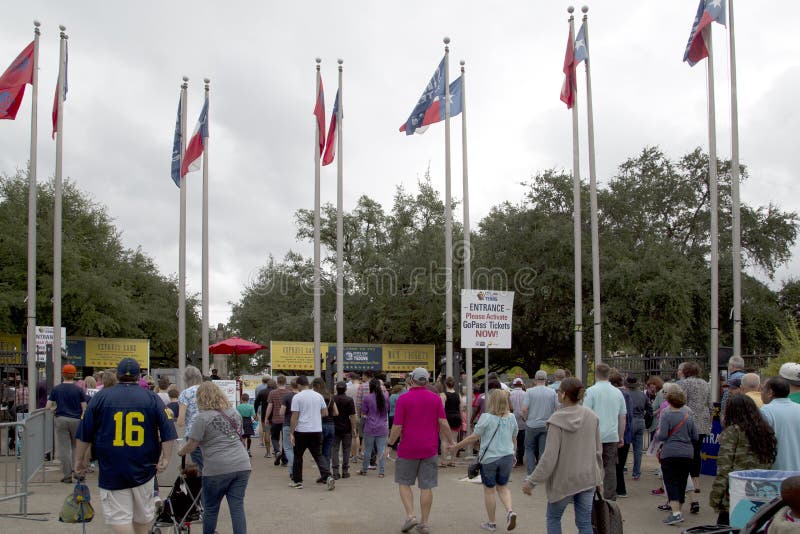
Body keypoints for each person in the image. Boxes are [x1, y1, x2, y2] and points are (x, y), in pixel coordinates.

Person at [75, 358, 177, 534]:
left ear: (118, 375)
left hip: (112, 466)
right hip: (144, 466)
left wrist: (79, 460)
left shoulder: (101, 397)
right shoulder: (152, 398)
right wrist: (166, 457)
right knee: (143, 516)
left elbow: (84, 432)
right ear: (139, 376)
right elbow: (168, 430)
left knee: (119, 516)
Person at [521, 378, 602, 534]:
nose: (557, 393)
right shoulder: (592, 416)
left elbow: (549, 457)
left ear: (564, 394)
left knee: (553, 518)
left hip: (563, 481)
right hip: (587, 477)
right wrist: (599, 477)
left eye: (558, 391)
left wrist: (532, 482)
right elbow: (598, 451)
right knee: (585, 523)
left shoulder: (557, 420)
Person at [387, 368, 454, 534]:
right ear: (427, 381)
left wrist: (389, 444)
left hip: (408, 447)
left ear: (411, 380)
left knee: (404, 482)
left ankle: (410, 516)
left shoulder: (404, 399)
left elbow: (397, 426)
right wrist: (452, 442)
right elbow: (443, 422)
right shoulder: (435, 398)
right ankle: (424, 523)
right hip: (430, 448)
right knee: (427, 486)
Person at [178, 381, 251, 534]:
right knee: (237, 507)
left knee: (211, 507)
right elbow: (239, 437)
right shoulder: (234, 413)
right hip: (242, 464)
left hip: (216, 468)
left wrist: (180, 452)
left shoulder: (202, 418)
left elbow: (192, 445)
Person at [451, 389, 518, 532]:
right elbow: (514, 437)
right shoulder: (511, 417)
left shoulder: (486, 417)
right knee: (503, 487)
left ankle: (491, 523)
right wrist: (514, 454)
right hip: (507, 456)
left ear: (491, 401)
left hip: (490, 458)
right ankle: (510, 511)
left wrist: (456, 446)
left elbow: (474, 437)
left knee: (489, 490)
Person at [709, 394, 777, 525]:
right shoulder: (765, 430)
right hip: (760, 491)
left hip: (736, 491)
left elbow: (724, 467)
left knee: (726, 526)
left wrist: (716, 496)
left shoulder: (733, 431)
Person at [583, 363, 627, 500]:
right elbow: (622, 417)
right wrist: (621, 435)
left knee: (591, 465)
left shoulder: (590, 391)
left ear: (596, 374)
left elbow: (585, 414)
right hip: (611, 435)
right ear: (609, 375)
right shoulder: (618, 392)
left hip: (594, 435)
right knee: (610, 467)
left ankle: (589, 494)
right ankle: (610, 496)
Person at [657, 387, 699, 526]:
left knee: (671, 482)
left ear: (669, 400)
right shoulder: (688, 416)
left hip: (670, 452)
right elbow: (695, 436)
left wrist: (658, 434)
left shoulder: (666, 415)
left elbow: (662, 435)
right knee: (682, 482)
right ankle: (678, 511)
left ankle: (675, 513)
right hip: (687, 453)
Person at [677, 361, 712, 513]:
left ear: (685, 371)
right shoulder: (705, 383)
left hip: (689, 421)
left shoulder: (684, 384)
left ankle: (688, 483)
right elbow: (710, 404)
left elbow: (681, 402)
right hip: (703, 422)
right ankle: (696, 482)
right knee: (697, 452)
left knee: (687, 454)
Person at [288, 375, 335, 490]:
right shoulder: (318, 396)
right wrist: (314, 416)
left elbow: (294, 416)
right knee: (318, 455)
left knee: (298, 456)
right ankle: (327, 476)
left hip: (302, 431)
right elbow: (325, 413)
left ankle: (297, 481)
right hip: (316, 430)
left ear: (299, 385)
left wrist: (291, 432)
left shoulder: (297, 397)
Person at [46, 364, 88, 483]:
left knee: (64, 448)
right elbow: (85, 407)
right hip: (76, 420)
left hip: (61, 419)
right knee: (76, 447)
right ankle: (77, 472)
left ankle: (67, 475)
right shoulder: (79, 390)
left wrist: (54, 409)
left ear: (63, 374)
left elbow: (48, 406)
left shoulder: (57, 389)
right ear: (74, 375)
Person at [521, 370, 558, 476]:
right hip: (546, 425)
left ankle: (530, 475)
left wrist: (525, 419)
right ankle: (541, 474)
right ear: (546, 380)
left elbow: (524, 409)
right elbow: (557, 408)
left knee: (529, 449)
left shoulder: (529, 392)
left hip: (531, 424)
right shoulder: (552, 392)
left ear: (535, 379)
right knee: (543, 450)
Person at [760, 376, 800, 471]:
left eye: (762, 390)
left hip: (776, 473)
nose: (761, 393)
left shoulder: (765, 411)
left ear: (770, 392)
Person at [359, 377, 389, 477]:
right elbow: (387, 409)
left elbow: (364, 412)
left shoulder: (367, 397)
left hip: (370, 426)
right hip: (382, 427)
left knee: (367, 450)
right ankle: (382, 472)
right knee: (381, 450)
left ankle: (364, 470)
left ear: (370, 387)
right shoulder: (385, 397)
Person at [176, 365, 204, 472]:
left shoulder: (185, 393)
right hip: (210, 433)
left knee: (200, 467)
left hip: (193, 435)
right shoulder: (207, 391)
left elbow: (180, 422)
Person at [610, 372, 633, 498]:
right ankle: (620, 488)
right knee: (620, 463)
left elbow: (624, 416)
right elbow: (628, 416)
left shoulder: (619, 394)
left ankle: (619, 488)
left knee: (615, 464)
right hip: (625, 432)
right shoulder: (626, 394)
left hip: (618, 432)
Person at [625, 375, 652, 480]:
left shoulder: (625, 394)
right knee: (638, 450)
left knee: (625, 446)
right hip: (640, 421)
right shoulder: (643, 395)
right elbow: (649, 410)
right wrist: (646, 420)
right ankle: (636, 473)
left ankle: (624, 466)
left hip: (629, 420)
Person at [331, 381, 357, 479]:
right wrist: (354, 428)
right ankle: (345, 471)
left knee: (335, 449)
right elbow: (352, 416)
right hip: (346, 427)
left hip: (335, 427)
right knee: (346, 450)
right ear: (346, 389)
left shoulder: (332, 399)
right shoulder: (349, 400)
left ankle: (335, 472)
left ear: (336, 389)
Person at [312, 377, 338, 470]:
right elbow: (336, 412)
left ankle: (323, 473)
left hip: (320, 426)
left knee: (318, 452)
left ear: (316, 386)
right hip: (331, 426)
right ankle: (327, 473)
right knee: (327, 451)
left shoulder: (317, 397)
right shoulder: (330, 396)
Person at [264, 374, 290, 465]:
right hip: (286, 420)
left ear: (277, 382)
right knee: (285, 440)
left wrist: (266, 418)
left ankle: (277, 451)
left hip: (275, 419)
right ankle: (284, 460)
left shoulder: (272, 393)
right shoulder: (289, 392)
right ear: (285, 382)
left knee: (274, 437)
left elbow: (270, 406)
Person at [279, 378, 299, 480]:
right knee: (298, 449)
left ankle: (292, 471)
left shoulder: (287, 396)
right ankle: (297, 471)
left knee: (288, 448)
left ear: (291, 386)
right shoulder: (302, 396)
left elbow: (282, 412)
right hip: (300, 426)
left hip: (287, 424)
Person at [441, 376, 461, 467]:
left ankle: (444, 461)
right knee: (454, 440)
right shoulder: (458, 395)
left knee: (444, 440)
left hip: (447, 417)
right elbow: (460, 408)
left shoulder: (443, 395)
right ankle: (453, 461)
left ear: (446, 384)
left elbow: (442, 408)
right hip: (457, 417)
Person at [508, 377, 527, 468]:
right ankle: (520, 460)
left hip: (512, 420)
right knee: (521, 442)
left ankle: (513, 459)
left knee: (512, 441)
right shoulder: (526, 394)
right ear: (522, 384)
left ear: (514, 384)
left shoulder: (510, 394)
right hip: (523, 421)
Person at [253, 376, 272, 452]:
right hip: (269, 408)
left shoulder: (258, 387)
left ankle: (261, 442)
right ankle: (268, 441)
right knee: (268, 423)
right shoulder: (271, 388)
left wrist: (255, 411)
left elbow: (256, 399)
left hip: (260, 407)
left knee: (261, 424)